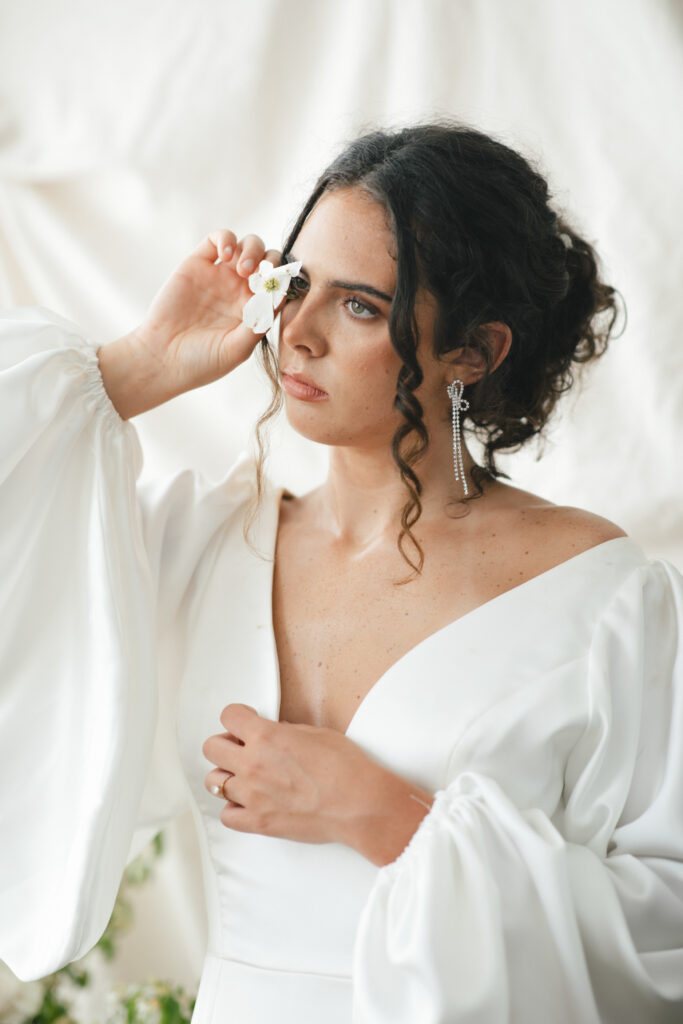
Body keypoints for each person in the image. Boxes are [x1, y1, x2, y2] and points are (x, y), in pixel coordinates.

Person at [0, 122, 682, 1023]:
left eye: (359, 305)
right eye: (294, 283)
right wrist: (136, 368)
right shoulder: (198, 546)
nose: (297, 332)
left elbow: (664, 936)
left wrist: (389, 819)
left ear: (473, 352)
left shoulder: (601, 596)